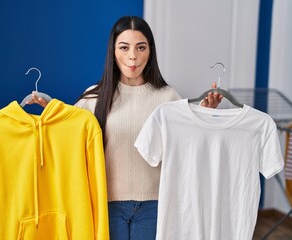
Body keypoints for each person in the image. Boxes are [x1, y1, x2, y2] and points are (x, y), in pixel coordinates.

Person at [28, 16, 222, 240]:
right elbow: (67, 139)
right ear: (113, 51)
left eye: (141, 47)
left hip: (156, 206)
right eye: (124, 47)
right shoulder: (94, 98)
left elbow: (190, 148)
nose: (133, 56)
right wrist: (52, 112)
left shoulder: (169, 98)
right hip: (106, 205)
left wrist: (206, 114)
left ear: (150, 51)